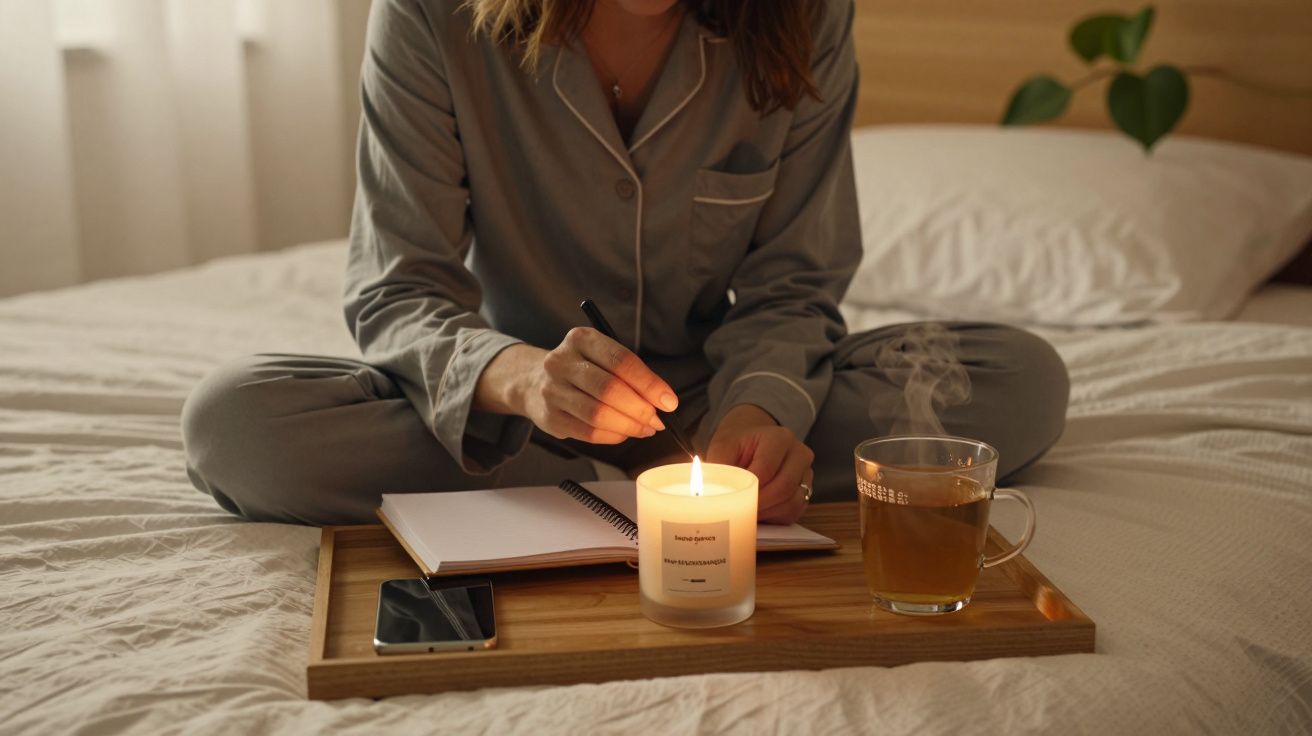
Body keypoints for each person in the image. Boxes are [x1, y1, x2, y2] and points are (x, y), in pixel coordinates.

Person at [181, 0, 1069, 527]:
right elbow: (398, 286)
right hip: (508, 413)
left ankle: (640, 491)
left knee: (1019, 381)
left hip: (717, 396)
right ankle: (605, 486)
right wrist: (520, 378)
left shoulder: (804, 16)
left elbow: (795, 279)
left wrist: (759, 415)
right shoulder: (432, 16)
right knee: (237, 426)